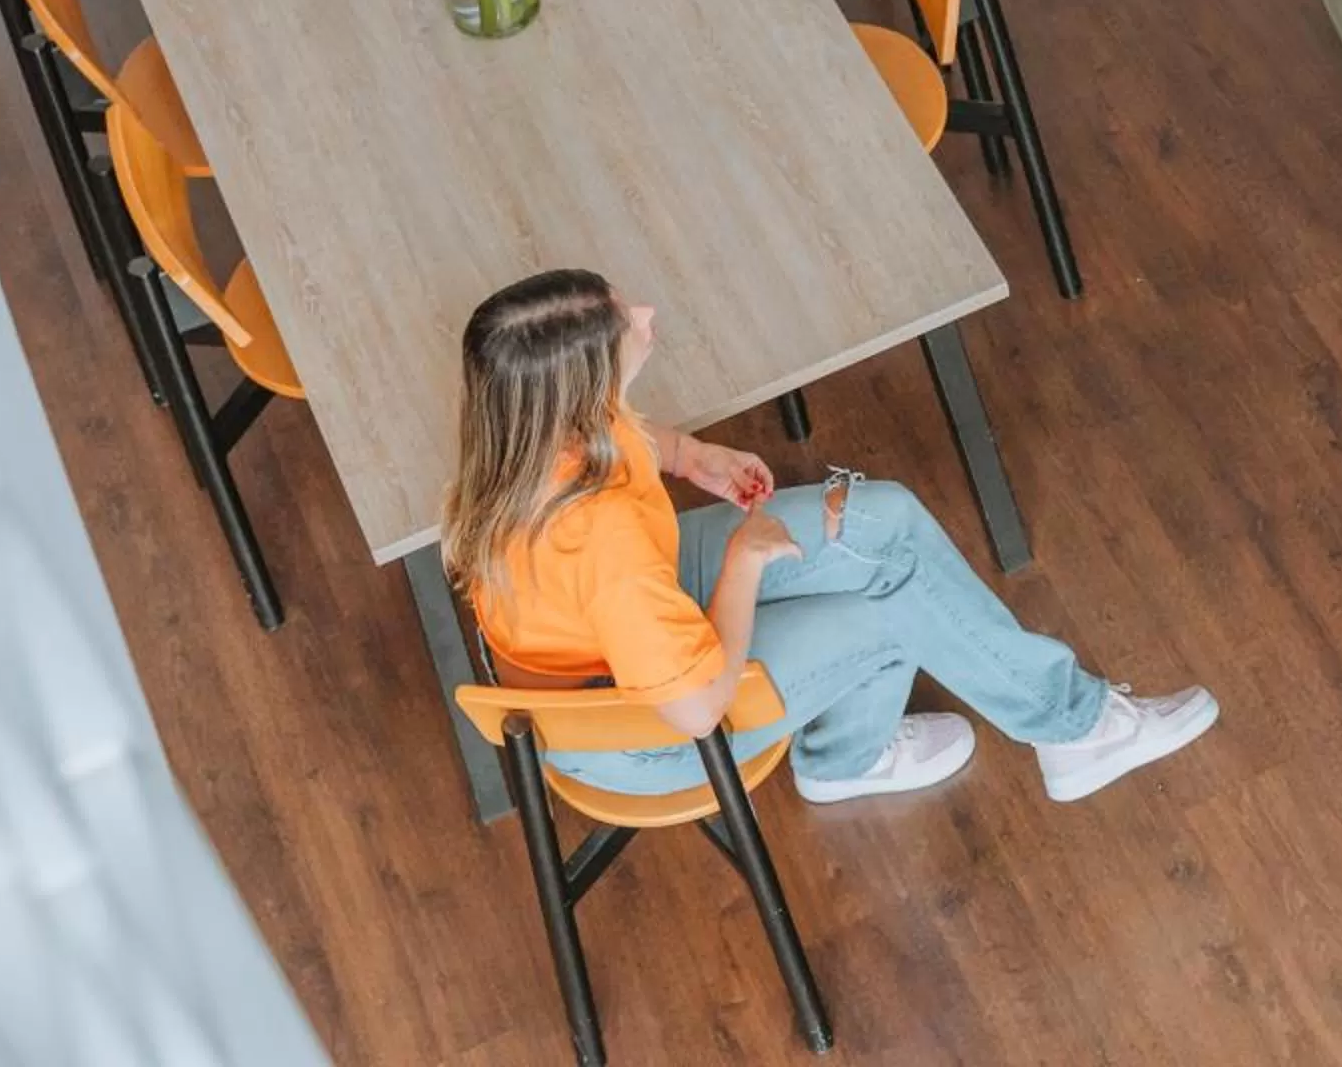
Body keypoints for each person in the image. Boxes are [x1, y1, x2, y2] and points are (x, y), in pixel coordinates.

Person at [444, 269, 1216, 805]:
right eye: (625, 325)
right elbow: (697, 709)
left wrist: (691, 457)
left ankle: (1055, 725)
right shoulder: (600, 537)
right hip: (639, 726)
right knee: (896, 610)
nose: (645, 317)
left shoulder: (521, 432)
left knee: (883, 519)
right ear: (582, 385)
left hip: (635, 625)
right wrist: (742, 565)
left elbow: (632, 438)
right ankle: (863, 757)